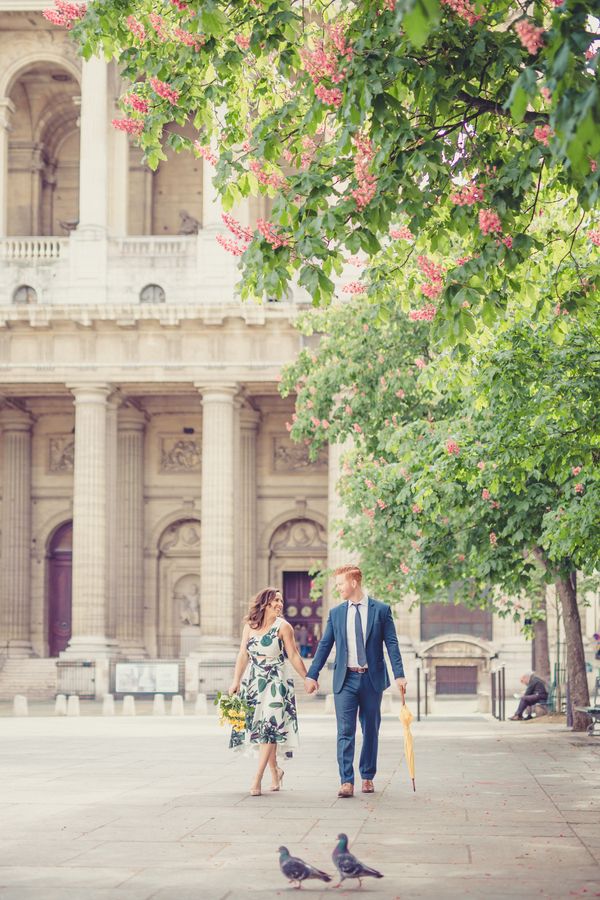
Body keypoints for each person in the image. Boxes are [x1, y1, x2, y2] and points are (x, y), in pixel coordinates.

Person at [305, 564, 407, 798]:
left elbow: (391, 643)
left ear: (354, 583)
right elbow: (325, 645)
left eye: (340, 583)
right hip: (346, 679)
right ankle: (346, 781)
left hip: (371, 679)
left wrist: (399, 674)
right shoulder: (337, 613)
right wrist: (312, 674)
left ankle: (368, 776)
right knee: (345, 730)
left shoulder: (381, 610)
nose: (338, 588)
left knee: (370, 729)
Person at [228, 587, 308, 796]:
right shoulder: (250, 626)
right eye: (276, 601)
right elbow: (242, 655)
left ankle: (257, 778)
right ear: (264, 603)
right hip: (253, 681)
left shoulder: (284, 627)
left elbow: (294, 655)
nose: (280, 604)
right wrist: (236, 680)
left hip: (275, 681)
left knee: (269, 727)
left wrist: (307, 678)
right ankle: (276, 771)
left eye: (281, 601)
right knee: (263, 731)